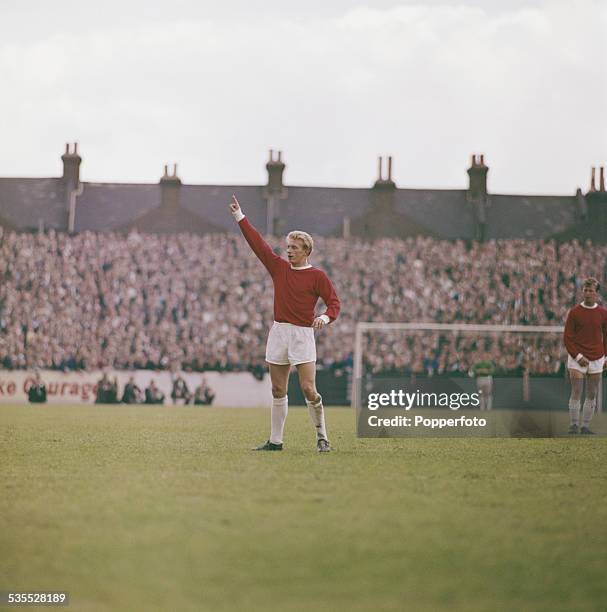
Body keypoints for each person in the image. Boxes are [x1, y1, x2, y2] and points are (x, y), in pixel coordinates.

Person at [229, 195, 340, 452]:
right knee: (278, 389)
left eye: (294, 248)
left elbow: (334, 303)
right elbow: (258, 245)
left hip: (302, 335)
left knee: (308, 389)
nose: (289, 250)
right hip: (279, 332)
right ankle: (276, 441)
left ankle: (322, 436)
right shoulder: (279, 268)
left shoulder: (317, 276)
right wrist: (239, 216)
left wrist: (324, 317)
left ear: (306, 252)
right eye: (288, 246)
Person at [563, 277, 607, 434]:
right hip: (577, 358)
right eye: (585, 290)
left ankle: (585, 426)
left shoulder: (603, 313)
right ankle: (574, 424)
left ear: (596, 294)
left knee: (592, 392)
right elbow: (567, 337)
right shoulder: (574, 312)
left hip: (597, 357)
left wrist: (606, 357)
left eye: (591, 291)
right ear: (582, 291)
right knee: (576, 390)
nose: (587, 293)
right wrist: (578, 356)